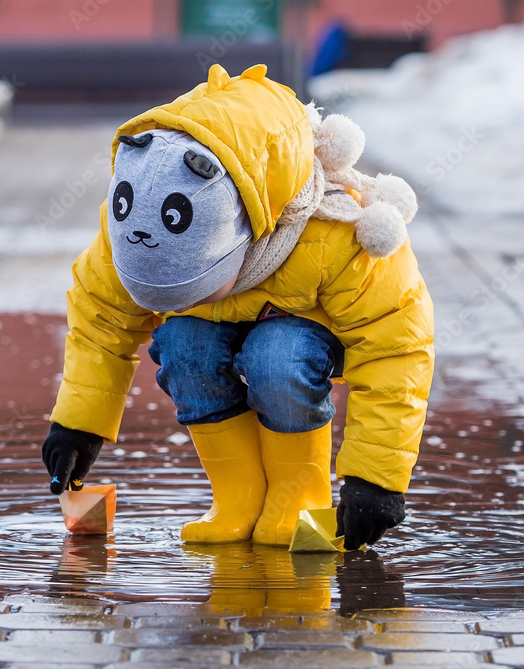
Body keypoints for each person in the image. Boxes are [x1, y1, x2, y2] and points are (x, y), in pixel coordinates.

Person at [41, 64, 434, 550]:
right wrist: (78, 425)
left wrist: (376, 480)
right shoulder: (139, 216)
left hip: (303, 337)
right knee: (182, 343)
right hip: (212, 327)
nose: (185, 300)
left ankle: (297, 497)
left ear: (238, 237)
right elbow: (102, 319)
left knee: (276, 357)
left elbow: (396, 348)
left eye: (194, 286)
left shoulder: (337, 230)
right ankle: (237, 498)